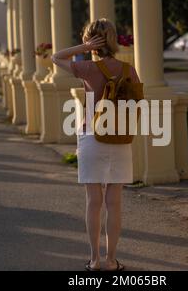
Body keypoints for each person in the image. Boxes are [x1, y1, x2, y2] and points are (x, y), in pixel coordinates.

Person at [51, 18, 140, 272]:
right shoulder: (127, 69)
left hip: (92, 137)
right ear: (113, 39)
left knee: (93, 201)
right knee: (115, 202)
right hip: (120, 138)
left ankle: (94, 260)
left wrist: (82, 48)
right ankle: (112, 260)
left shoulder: (88, 68)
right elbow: (136, 103)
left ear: (91, 41)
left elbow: (56, 58)